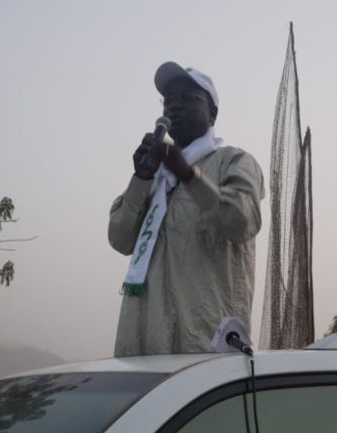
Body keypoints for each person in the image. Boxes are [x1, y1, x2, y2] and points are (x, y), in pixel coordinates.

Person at [109, 62, 264, 356]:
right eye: (169, 101)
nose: (175, 107)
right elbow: (119, 239)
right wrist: (140, 179)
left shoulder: (234, 161)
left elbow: (242, 222)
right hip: (144, 338)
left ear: (213, 113)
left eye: (188, 99)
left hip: (205, 343)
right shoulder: (154, 177)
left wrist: (189, 176)